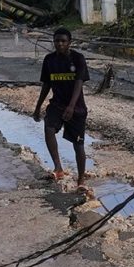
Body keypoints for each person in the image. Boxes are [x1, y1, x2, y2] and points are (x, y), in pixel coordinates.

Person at [32, 28, 90, 192]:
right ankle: (58, 168)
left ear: (69, 43)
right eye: (57, 41)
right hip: (56, 104)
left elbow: (79, 83)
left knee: (78, 145)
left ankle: (81, 179)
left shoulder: (78, 59)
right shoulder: (49, 60)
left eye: (63, 41)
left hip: (76, 107)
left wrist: (72, 106)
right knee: (49, 128)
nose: (60, 44)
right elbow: (46, 85)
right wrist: (37, 107)